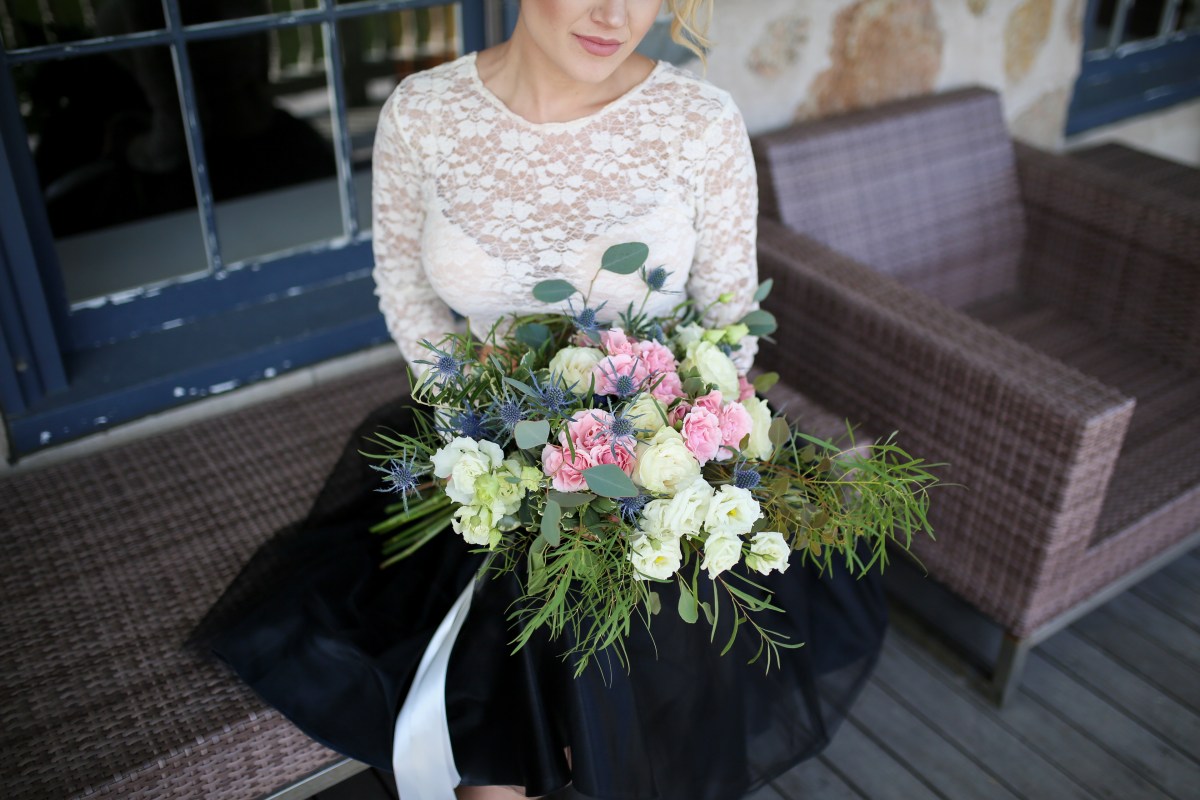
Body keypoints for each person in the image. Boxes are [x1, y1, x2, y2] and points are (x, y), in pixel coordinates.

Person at [208, 2, 888, 798]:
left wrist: (654, 456)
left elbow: (728, 321)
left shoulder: (699, 122)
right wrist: (484, 432)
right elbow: (405, 289)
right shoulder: (424, 112)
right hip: (485, 456)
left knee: (631, 744)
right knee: (490, 757)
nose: (615, 14)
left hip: (651, 475)